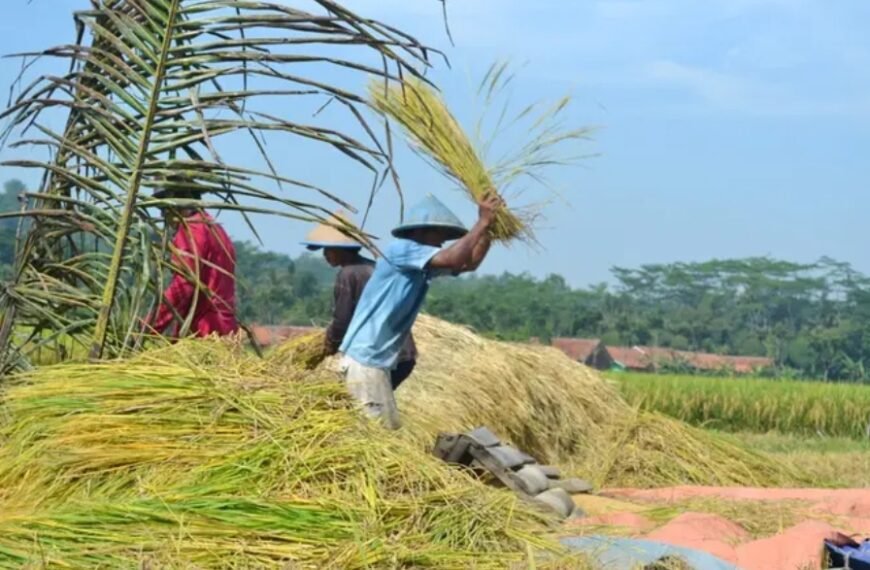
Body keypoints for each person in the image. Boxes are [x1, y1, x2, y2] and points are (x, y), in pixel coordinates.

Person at [338, 191, 503, 429]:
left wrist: (489, 231)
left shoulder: (420, 266)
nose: (441, 243)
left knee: (387, 431)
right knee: (377, 437)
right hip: (365, 360)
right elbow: (453, 259)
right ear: (418, 232)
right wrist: (482, 222)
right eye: (438, 235)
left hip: (376, 361)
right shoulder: (402, 250)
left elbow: (468, 264)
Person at [300, 211, 417, 389]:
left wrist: (328, 347)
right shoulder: (374, 267)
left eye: (329, 249)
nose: (325, 255)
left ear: (342, 249)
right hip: (403, 354)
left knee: (364, 407)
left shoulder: (349, 274)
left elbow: (342, 320)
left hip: (379, 356)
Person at [146, 181, 238, 338]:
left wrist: (149, 326)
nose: (162, 215)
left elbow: (184, 284)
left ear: (178, 203)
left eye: (164, 208)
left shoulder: (192, 230)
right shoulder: (215, 228)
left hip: (204, 330)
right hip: (224, 332)